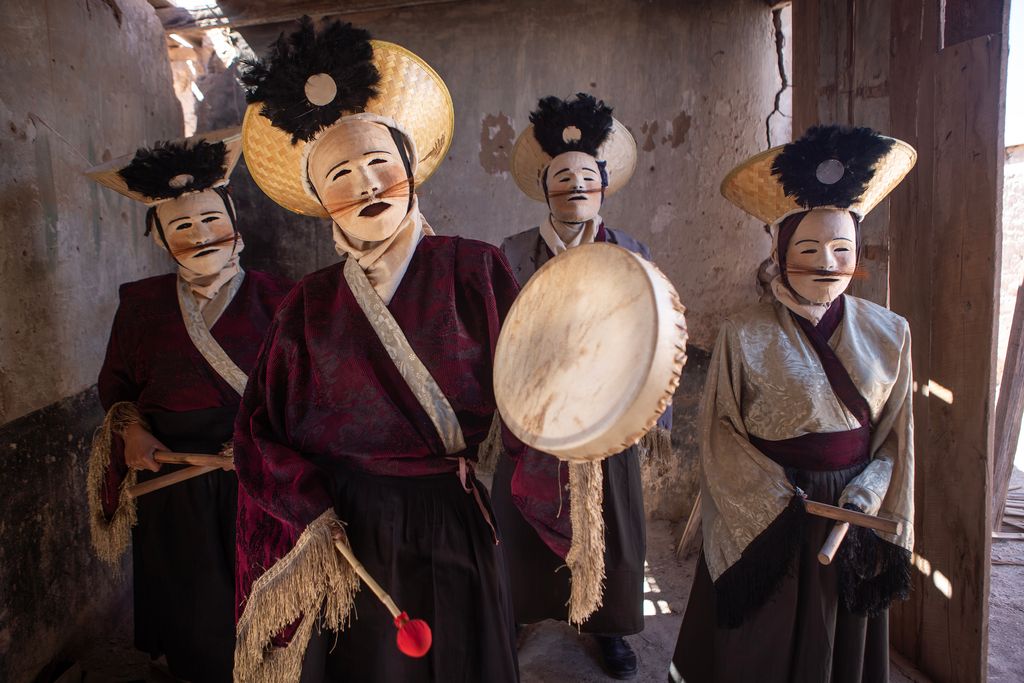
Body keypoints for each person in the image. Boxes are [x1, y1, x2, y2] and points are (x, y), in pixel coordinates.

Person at [231, 18, 521, 682]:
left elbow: (536, 395)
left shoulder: (475, 270)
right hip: (345, 528)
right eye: (341, 174)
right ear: (320, 199)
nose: (364, 186)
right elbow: (257, 429)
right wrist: (309, 511)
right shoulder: (306, 304)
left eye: (378, 166)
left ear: (411, 172)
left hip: (450, 520)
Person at [669, 124, 917, 683]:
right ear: (780, 252)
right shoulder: (742, 333)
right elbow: (722, 435)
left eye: (842, 249)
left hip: (849, 511)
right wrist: (780, 501)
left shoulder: (889, 332)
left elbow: (896, 441)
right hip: (770, 511)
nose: (827, 262)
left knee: (838, 640)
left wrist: (866, 495)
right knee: (762, 641)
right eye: (808, 248)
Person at [85, 129, 293, 682]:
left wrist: (258, 448)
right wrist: (131, 435)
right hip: (172, 488)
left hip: (259, 485)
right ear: (160, 238)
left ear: (234, 223)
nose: (200, 236)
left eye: (210, 220)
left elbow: (309, 398)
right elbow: (119, 389)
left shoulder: (283, 300)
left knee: (271, 616)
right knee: (194, 622)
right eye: (182, 226)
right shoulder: (140, 305)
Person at [491, 93, 671, 680]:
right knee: (518, 520)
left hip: (609, 414)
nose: (575, 186)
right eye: (561, 177)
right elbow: (493, 334)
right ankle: (524, 614)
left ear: (604, 186)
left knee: (612, 526)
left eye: (587, 177)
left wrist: (651, 418)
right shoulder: (512, 254)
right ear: (544, 187)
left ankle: (610, 626)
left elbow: (656, 334)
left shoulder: (630, 252)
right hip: (533, 414)